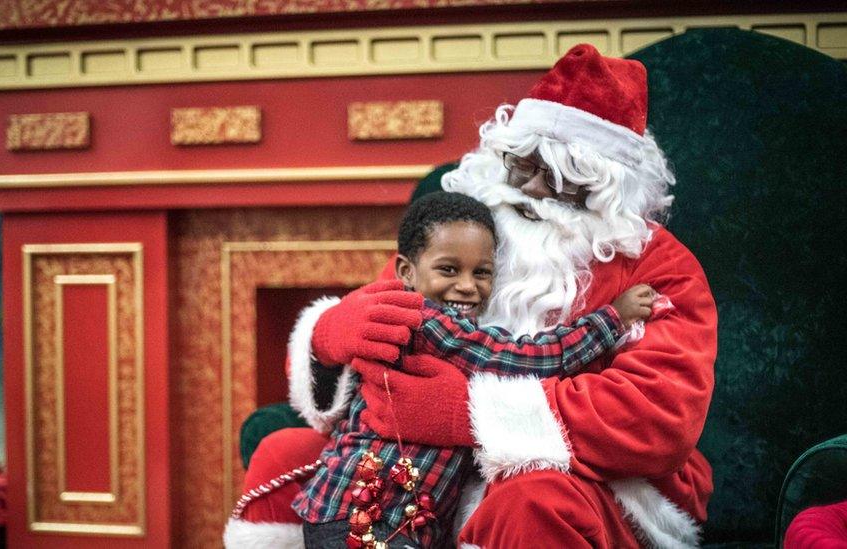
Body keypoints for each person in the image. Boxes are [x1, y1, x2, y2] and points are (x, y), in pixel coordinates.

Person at [225, 43, 716, 548]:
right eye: (522, 165)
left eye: (566, 177)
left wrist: (467, 414)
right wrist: (330, 337)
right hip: (424, 459)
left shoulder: (658, 265)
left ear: (610, 189)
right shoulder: (466, 228)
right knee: (284, 452)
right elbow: (378, 342)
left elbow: (655, 415)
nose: (534, 191)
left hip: (586, 477)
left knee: (532, 498)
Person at [295, 191, 655, 548]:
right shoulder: (425, 321)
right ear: (406, 270)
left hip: (379, 520)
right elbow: (522, 359)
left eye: (481, 272)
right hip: (366, 516)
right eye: (448, 269)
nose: (467, 286)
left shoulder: (413, 314)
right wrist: (611, 320)